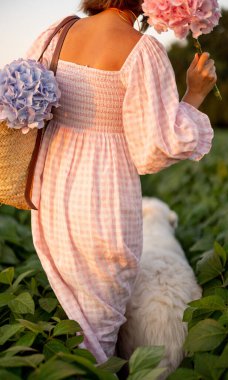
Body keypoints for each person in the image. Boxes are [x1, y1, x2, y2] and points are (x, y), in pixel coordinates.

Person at [25, 0, 216, 364]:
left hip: (52, 194)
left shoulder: (57, 32)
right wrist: (195, 93)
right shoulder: (142, 50)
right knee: (98, 331)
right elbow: (154, 148)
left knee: (75, 320)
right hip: (105, 200)